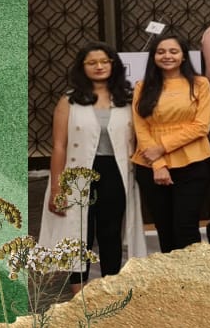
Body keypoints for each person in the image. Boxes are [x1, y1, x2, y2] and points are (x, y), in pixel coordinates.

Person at [42, 42, 147, 291]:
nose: (99, 66)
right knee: (79, 233)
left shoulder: (127, 99)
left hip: (116, 172)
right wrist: (57, 188)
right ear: (82, 67)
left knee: (111, 232)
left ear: (113, 64)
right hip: (79, 173)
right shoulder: (70, 101)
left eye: (104, 61)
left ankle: (110, 288)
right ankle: (79, 293)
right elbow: (59, 146)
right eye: (92, 62)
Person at [132, 32, 210, 253]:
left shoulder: (200, 84)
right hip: (151, 166)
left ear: (183, 56)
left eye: (173, 51)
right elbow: (141, 128)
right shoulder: (142, 86)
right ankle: (169, 275)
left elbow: (201, 126)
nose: (167, 56)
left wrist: (161, 147)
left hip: (193, 162)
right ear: (153, 57)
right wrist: (158, 164)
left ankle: (191, 275)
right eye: (161, 52)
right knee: (165, 229)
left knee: (186, 227)